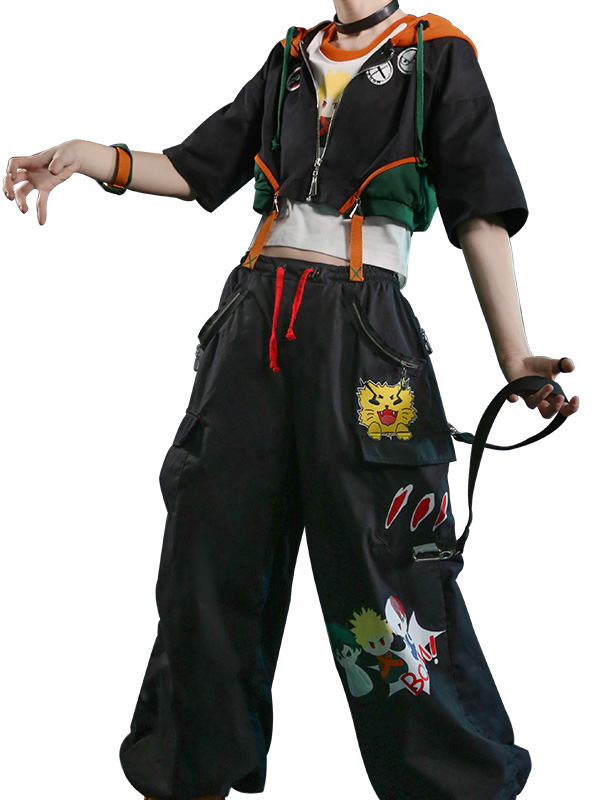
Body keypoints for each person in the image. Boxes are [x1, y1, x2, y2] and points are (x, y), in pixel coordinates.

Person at [3, 2, 579, 799]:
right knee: (210, 546)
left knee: (390, 565)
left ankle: (453, 786)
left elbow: (479, 209)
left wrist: (515, 358)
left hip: (364, 337)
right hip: (250, 322)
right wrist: (91, 156)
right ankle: (188, 770)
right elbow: (200, 167)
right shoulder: (290, 61)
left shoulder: (437, 55)